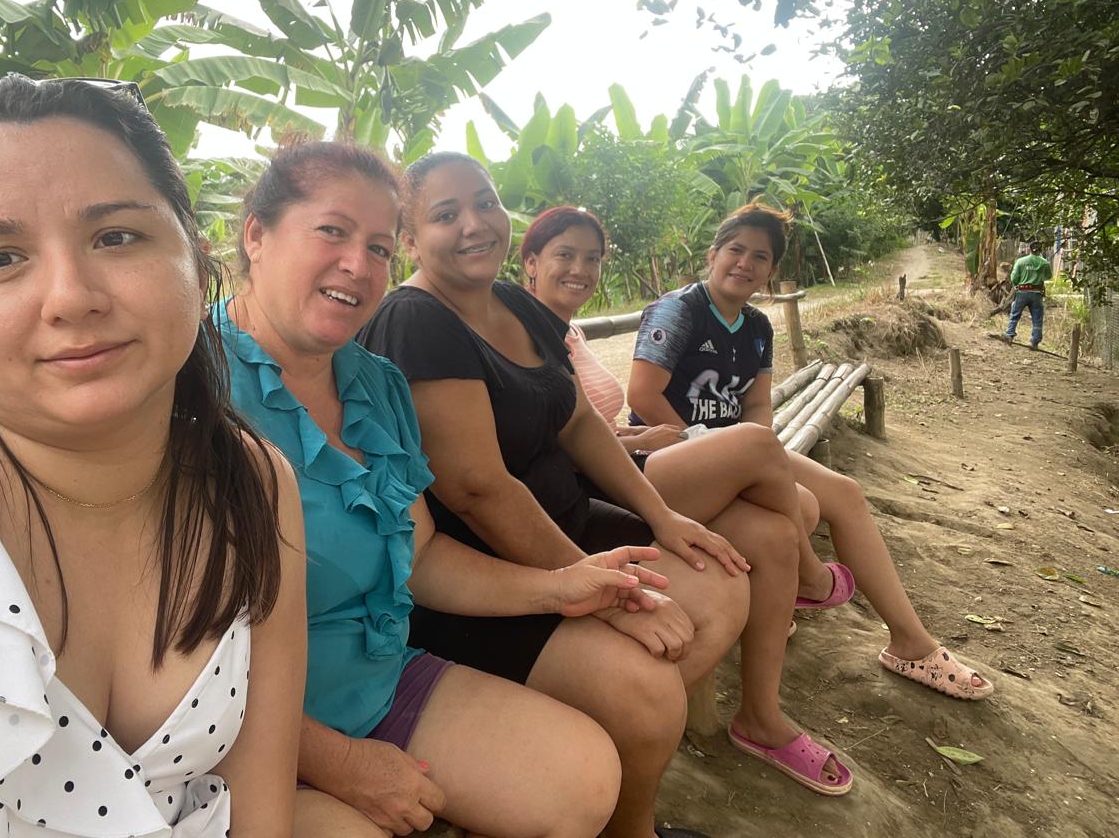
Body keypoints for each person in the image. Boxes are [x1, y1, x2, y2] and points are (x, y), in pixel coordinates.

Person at [0, 75, 307, 837]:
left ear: (197, 262)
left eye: (116, 237)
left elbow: (259, 812)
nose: (71, 297)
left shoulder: (249, 479)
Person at [360, 151, 848, 827]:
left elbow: (580, 422)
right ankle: (618, 807)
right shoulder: (415, 320)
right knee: (648, 692)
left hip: (571, 524)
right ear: (411, 241)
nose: (474, 223)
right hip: (492, 574)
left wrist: (661, 515)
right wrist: (602, 595)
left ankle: (605, 748)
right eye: (446, 214)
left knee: (720, 582)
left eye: (485, 202)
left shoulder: (512, 303)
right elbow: (479, 490)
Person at [216, 141, 676, 838]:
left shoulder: (376, 384)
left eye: (378, 247)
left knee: (583, 779)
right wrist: (336, 761)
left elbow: (421, 558)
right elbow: (159, 655)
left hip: (374, 679)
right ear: (257, 234)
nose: (358, 264)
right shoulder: (190, 392)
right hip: (233, 726)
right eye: (332, 231)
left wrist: (563, 586)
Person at [520, 205, 859, 795]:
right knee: (758, 449)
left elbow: (579, 428)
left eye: (592, 258)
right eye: (564, 256)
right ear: (529, 263)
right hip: (603, 487)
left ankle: (760, 717)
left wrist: (632, 438)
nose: (581, 269)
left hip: (626, 464)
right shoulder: (519, 331)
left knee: (777, 529)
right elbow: (541, 443)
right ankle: (811, 577)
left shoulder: (564, 332)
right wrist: (642, 441)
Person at [627, 201, 994, 703]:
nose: (744, 263)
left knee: (843, 492)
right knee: (799, 504)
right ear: (712, 255)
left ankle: (911, 643)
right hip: (666, 459)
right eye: (735, 250)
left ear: (771, 271)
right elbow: (642, 396)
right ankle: (805, 577)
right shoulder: (679, 310)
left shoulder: (756, 327)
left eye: (760, 257)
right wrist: (717, 446)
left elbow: (757, 405)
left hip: (739, 454)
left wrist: (749, 455)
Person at [1004, 240, 1053, 349]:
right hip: (1037, 293)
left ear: (1029, 249)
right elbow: (1048, 276)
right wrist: (1038, 276)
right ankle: (1034, 342)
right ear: (1041, 250)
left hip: (1022, 292)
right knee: (1037, 318)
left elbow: (1014, 278)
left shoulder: (1021, 261)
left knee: (1015, 314)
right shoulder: (1044, 263)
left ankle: (1009, 335)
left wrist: (1017, 284)